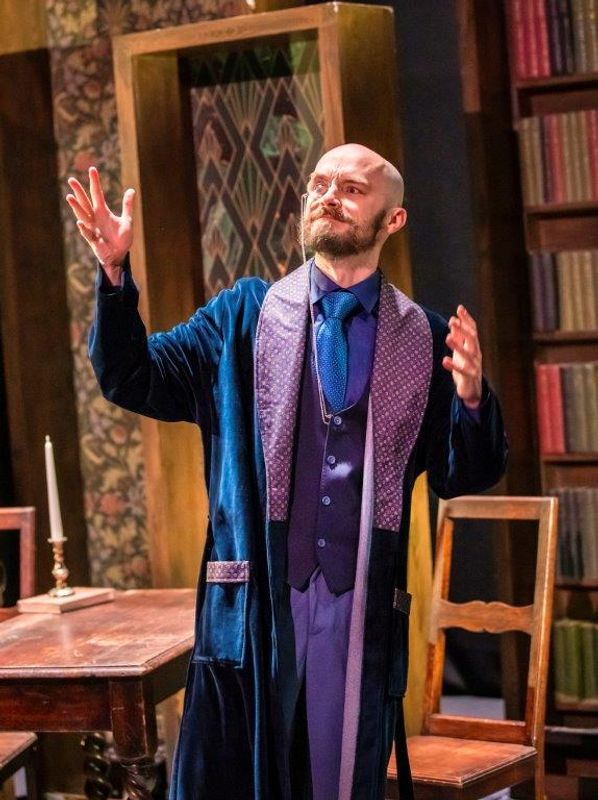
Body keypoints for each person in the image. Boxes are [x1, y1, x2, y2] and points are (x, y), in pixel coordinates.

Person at [66, 143, 508, 800]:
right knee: (242, 778)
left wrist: (471, 400)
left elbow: (460, 473)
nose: (329, 195)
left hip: (357, 605)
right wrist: (112, 271)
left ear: (393, 219)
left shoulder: (422, 338)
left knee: (334, 781)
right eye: (320, 183)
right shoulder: (241, 320)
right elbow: (133, 377)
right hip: (257, 600)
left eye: (352, 188)